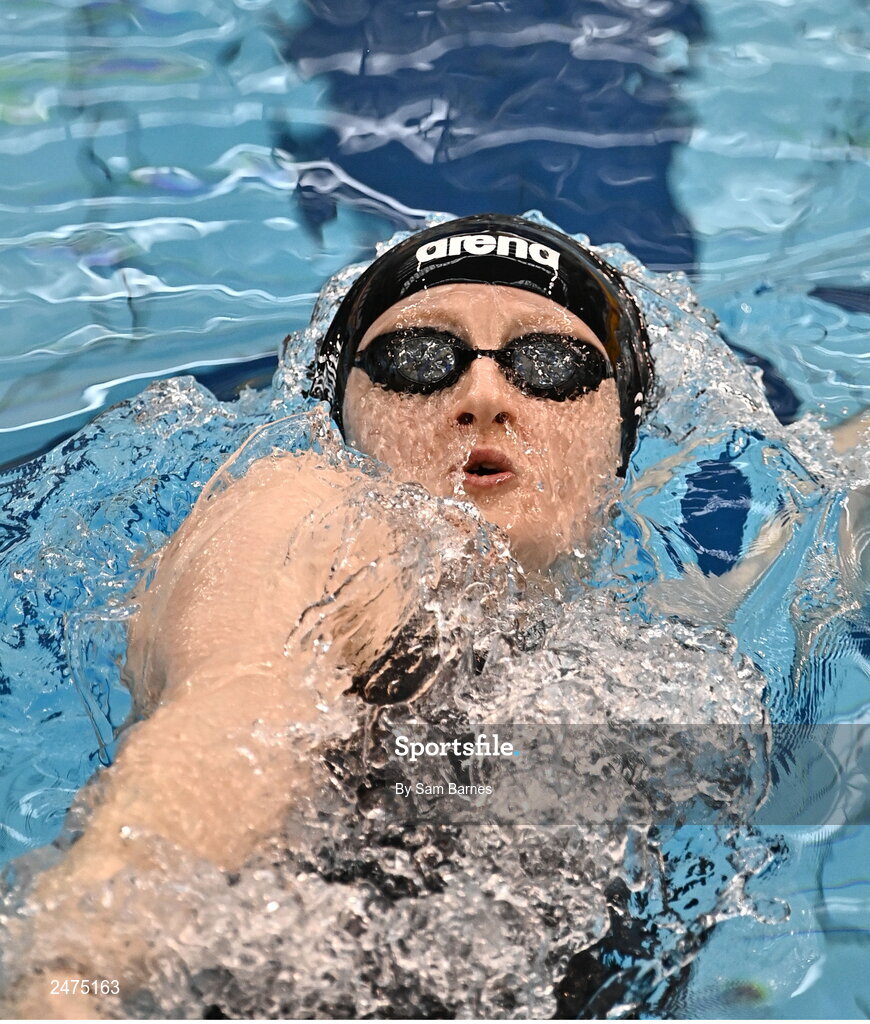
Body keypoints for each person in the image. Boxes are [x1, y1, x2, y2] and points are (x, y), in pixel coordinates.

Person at [4, 214, 658, 1017]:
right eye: (416, 360)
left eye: (548, 364)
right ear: (343, 416)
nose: (484, 397)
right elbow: (228, 724)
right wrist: (68, 982)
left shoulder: (662, 634)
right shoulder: (307, 517)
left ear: (620, 438)